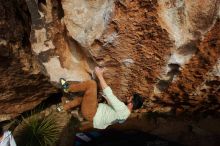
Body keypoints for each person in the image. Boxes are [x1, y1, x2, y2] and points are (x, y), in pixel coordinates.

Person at [58, 66, 143, 129]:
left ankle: (67, 88)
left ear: (131, 104)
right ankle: (63, 108)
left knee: (92, 84)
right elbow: (113, 110)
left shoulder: (122, 108)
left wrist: (99, 75)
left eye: (130, 98)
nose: (128, 97)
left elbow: (109, 92)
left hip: (92, 112)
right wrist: (107, 99)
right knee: (83, 99)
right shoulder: (125, 115)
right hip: (93, 115)